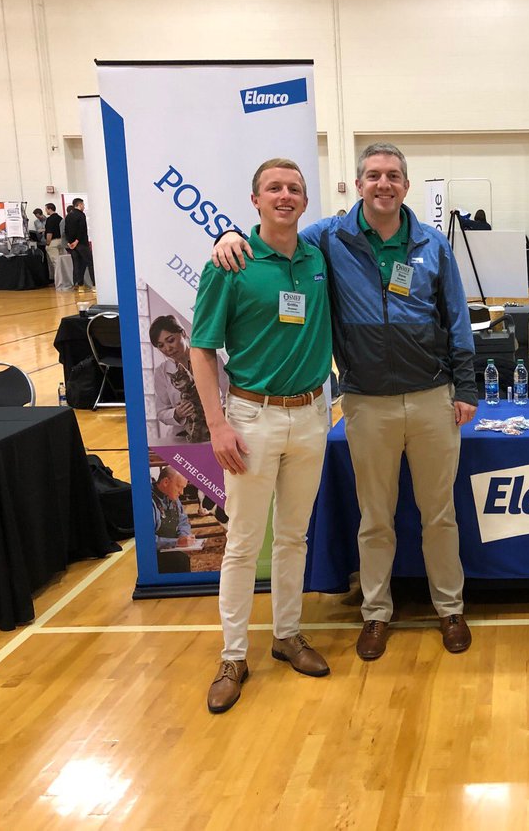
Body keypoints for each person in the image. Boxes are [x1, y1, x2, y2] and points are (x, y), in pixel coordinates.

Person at [213, 142, 478, 662]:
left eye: (393, 176)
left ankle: (450, 607)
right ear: (358, 185)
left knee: (439, 515)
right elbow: (275, 235)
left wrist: (466, 387)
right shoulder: (328, 238)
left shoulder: (432, 244)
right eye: (374, 175)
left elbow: (457, 315)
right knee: (375, 518)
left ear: (406, 186)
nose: (384, 184)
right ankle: (376, 612)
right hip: (366, 403)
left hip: (432, 397)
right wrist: (227, 235)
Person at [191, 158, 334, 714]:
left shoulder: (318, 257)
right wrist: (217, 424)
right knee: (244, 543)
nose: (285, 195)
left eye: (294, 188)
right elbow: (202, 348)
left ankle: (287, 634)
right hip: (251, 418)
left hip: (311, 415)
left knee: (293, 537)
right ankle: (232, 656)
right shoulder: (230, 263)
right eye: (274, 188)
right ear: (255, 200)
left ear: (305, 201)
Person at [148, 314, 225, 444]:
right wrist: (177, 413)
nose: (167, 348)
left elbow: (230, 396)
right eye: (161, 345)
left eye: (170, 340)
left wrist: (219, 411)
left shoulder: (213, 359)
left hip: (216, 433)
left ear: (183, 333)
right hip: (182, 437)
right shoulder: (161, 372)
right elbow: (161, 412)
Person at [152, 465, 196, 550]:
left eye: (183, 488)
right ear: (166, 482)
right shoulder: (148, 502)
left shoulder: (173, 497)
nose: (182, 492)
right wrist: (176, 542)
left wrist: (183, 536)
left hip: (172, 548)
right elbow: (146, 540)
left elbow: (183, 521)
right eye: (179, 486)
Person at [65, 198, 95, 292]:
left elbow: (66, 230)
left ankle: (80, 286)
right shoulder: (81, 215)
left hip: (72, 245)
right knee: (90, 263)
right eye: (83, 205)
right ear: (80, 204)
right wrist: (77, 241)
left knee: (77, 264)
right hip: (81, 243)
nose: (84, 206)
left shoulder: (68, 216)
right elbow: (82, 229)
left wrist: (70, 242)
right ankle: (94, 285)